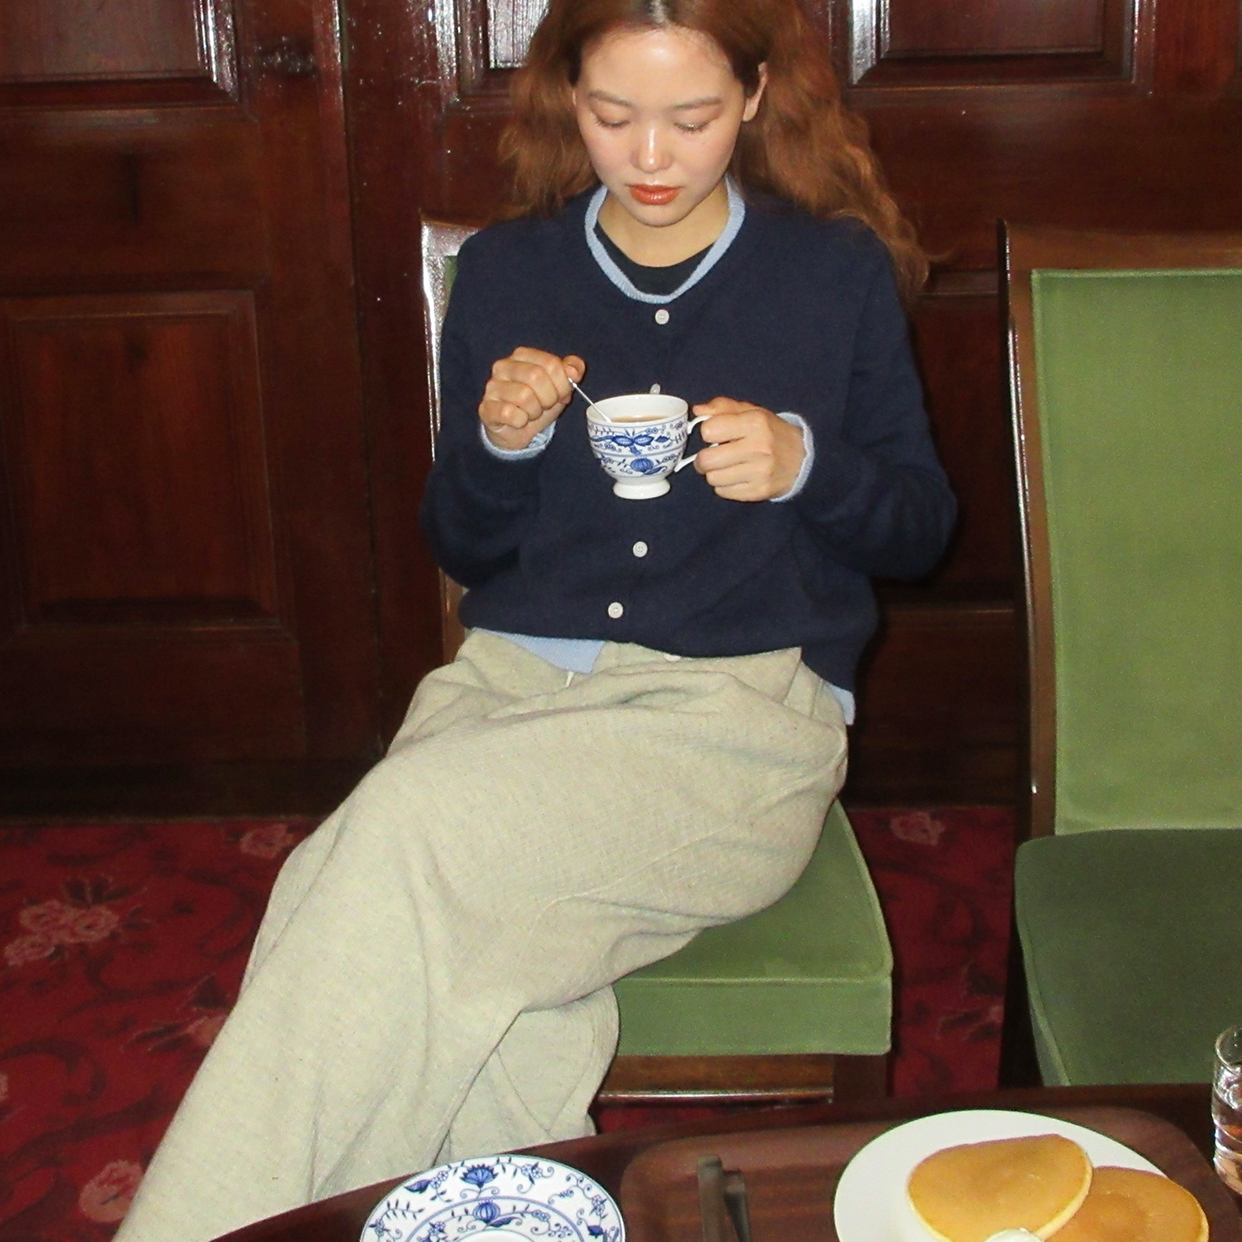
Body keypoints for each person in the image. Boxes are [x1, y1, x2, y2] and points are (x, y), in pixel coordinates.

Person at [114, 1, 955, 1238]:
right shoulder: (510, 272)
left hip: (734, 720)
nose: (651, 156)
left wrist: (806, 466)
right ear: (568, 99)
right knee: (398, 923)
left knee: (392, 846)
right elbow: (462, 543)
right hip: (509, 687)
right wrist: (501, 447)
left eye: (693, 118)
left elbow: (921, 530)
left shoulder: (829, 273)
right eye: (614, 116)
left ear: (757, 98)